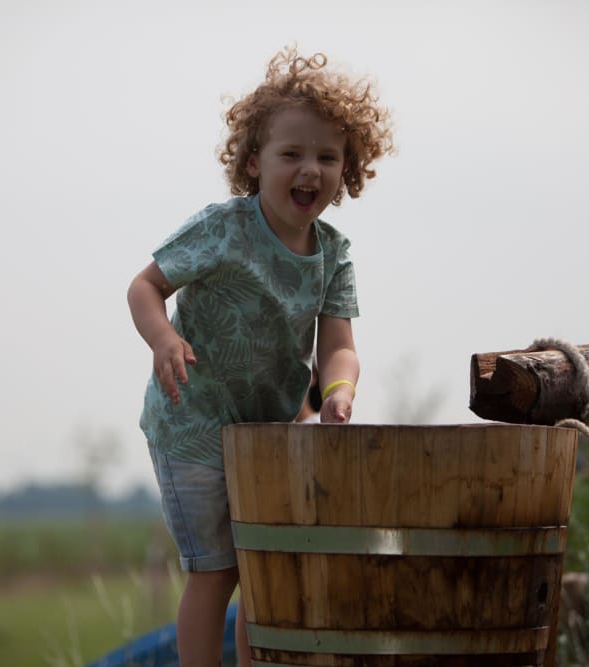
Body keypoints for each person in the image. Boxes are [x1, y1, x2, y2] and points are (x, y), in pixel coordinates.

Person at [127, 46, 393, 666]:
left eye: (328, 156)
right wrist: (165, 340)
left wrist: (337, 394)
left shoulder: (333, 252)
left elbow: (339, 347)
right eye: (292, 154)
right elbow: (145, 287)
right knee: (216, 572)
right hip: (190, 422)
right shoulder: (224, 228)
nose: (311, 169)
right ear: (254, 161)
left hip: (269, 430)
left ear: (347, 170)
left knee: (265, 566)